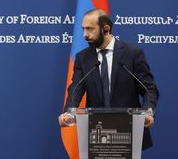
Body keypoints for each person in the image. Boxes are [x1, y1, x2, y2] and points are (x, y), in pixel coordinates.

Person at [58, 9, 159, 149]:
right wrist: (69, 112)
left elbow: (149, 88)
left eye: (89, 29)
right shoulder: (82, 58)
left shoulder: (132, 54)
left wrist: (147, 112)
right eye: (83, 29)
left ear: (106, 29)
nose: (85, 35)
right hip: (97, 131)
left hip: (128, 130)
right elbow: (76, 87)